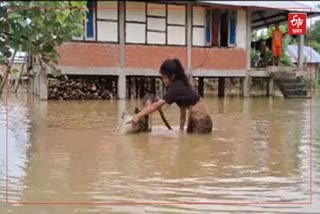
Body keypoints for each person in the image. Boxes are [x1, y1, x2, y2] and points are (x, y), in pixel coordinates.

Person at [127, 58, 213, 134]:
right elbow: (182, 108)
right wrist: (181, 129)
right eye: (162, 77)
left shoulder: (176, 88)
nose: (163, 80)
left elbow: (156, 106)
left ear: (173, 76)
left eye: (165, 77)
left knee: (195, 145)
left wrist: (138, 115)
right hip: (197, 118)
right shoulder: (180, 83)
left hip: (201, 121)